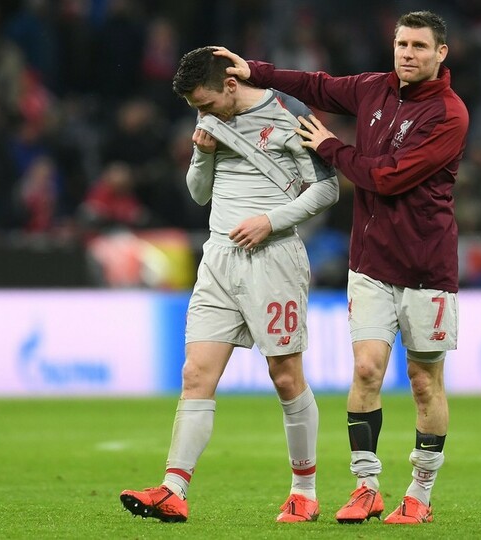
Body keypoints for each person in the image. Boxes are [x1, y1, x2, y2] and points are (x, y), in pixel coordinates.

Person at [216, 9, 469, 525]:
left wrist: (331, 148)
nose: (408, 54)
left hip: (427, 268)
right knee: (366, 369)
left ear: (441, 53)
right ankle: (366, 486)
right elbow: (317, 85)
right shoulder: (373, 89)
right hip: (370, 262)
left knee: (424, 381)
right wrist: (254, 71)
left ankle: (420, 494)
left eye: (420, 46)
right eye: (402, 44)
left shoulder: (449, 114)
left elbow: (390, 177)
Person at [119, 47, 339, 524]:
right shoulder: (209, 118)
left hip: (273, 258)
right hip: (218, 258)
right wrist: (201, 154)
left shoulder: (290, 112)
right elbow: (198, 194)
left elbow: (328, 188)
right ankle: (173, 489)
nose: (203, 113)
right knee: (195, 374)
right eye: (196, 107)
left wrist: (271, 221)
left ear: (232, 84)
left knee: (285, 376)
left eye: (206, 102)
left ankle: (304, 491)